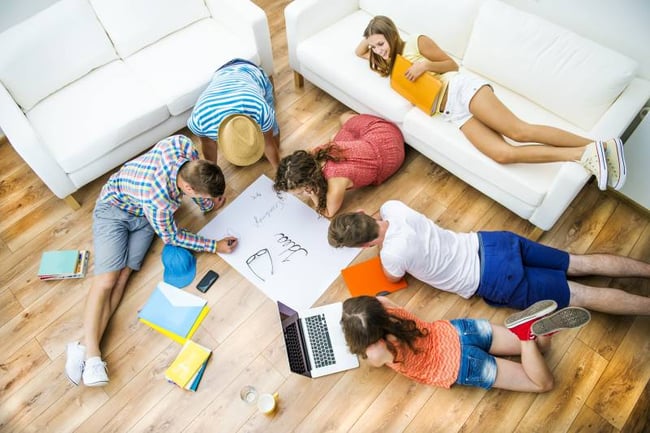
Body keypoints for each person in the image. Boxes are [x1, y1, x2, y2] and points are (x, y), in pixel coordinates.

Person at [355, 16, 626, 191]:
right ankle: (586, 154)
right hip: (453, 113)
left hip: (462, 90)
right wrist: (369, 37)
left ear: (391, 33)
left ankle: (597, 147)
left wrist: (425, 65)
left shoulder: (416, 41)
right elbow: (359, 51)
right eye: (375, 47)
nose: (379, 50)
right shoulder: (387, 63)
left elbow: (451, 65)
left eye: (381, 43)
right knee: (503, 154)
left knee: (519, 131)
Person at [65, 134, 238, 387]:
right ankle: (92, 355)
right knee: (107, 280)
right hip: (114, 210)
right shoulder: (159, 202)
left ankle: (82, 344)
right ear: (188, 189)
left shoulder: (183, 146)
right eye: (198, 194)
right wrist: (215, 246)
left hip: (143, 215)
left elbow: (195, 180)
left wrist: (207, 202)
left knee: (124, 276)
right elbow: (173, 237)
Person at [328, 200, 650, 315]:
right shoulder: (392, 207)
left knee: (582, 294)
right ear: (362, 213)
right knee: (578, 262)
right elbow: (384, 213)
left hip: (491, 278)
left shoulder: (391, 256)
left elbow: (395, 278)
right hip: (493, 243)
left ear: (366, 246)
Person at [341, 296, 590, 392]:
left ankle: (526, 334)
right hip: (461, 331)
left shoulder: (377, 352)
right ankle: (532, 331)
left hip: (462, 365)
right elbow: (370, 305)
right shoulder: (383, 304)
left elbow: (372, 357)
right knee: (542, 349)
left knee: (543, 384)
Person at [273, 112, 405, 217]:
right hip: (377, 134)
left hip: (389, 155)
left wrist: (312, 194)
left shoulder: (335, 180)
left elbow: (328, 212)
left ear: (309, 184)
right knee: (343, 119)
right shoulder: (316, 152)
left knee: (340, 129)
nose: (301, 195)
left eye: (300, 193)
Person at [188, 58, 280, 168]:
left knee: (275, 143)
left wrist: (279, 171)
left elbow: (268, 143)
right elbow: (208, 145)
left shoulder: (260, 109)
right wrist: (213, 172)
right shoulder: (200, 120)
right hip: (221, 73)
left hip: (250, 70)